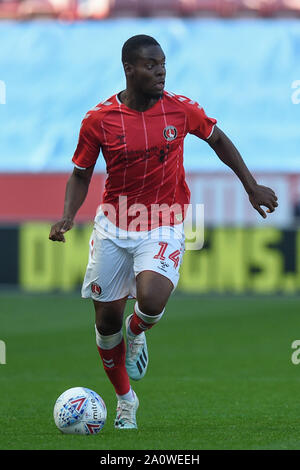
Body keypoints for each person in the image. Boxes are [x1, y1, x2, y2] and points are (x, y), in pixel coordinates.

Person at [49, 34, 278, 429]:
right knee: (106, 325)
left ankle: (138, 330)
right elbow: (80, 173)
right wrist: (68, 215)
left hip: (164, 220)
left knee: (152, 298)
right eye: (151, 65)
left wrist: (251, 185)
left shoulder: (180, 110)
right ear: (129, 69)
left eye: (163, 64)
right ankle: (125, 402)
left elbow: (219, 140)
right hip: (114, 226)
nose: (160, 72)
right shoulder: (99, 120)